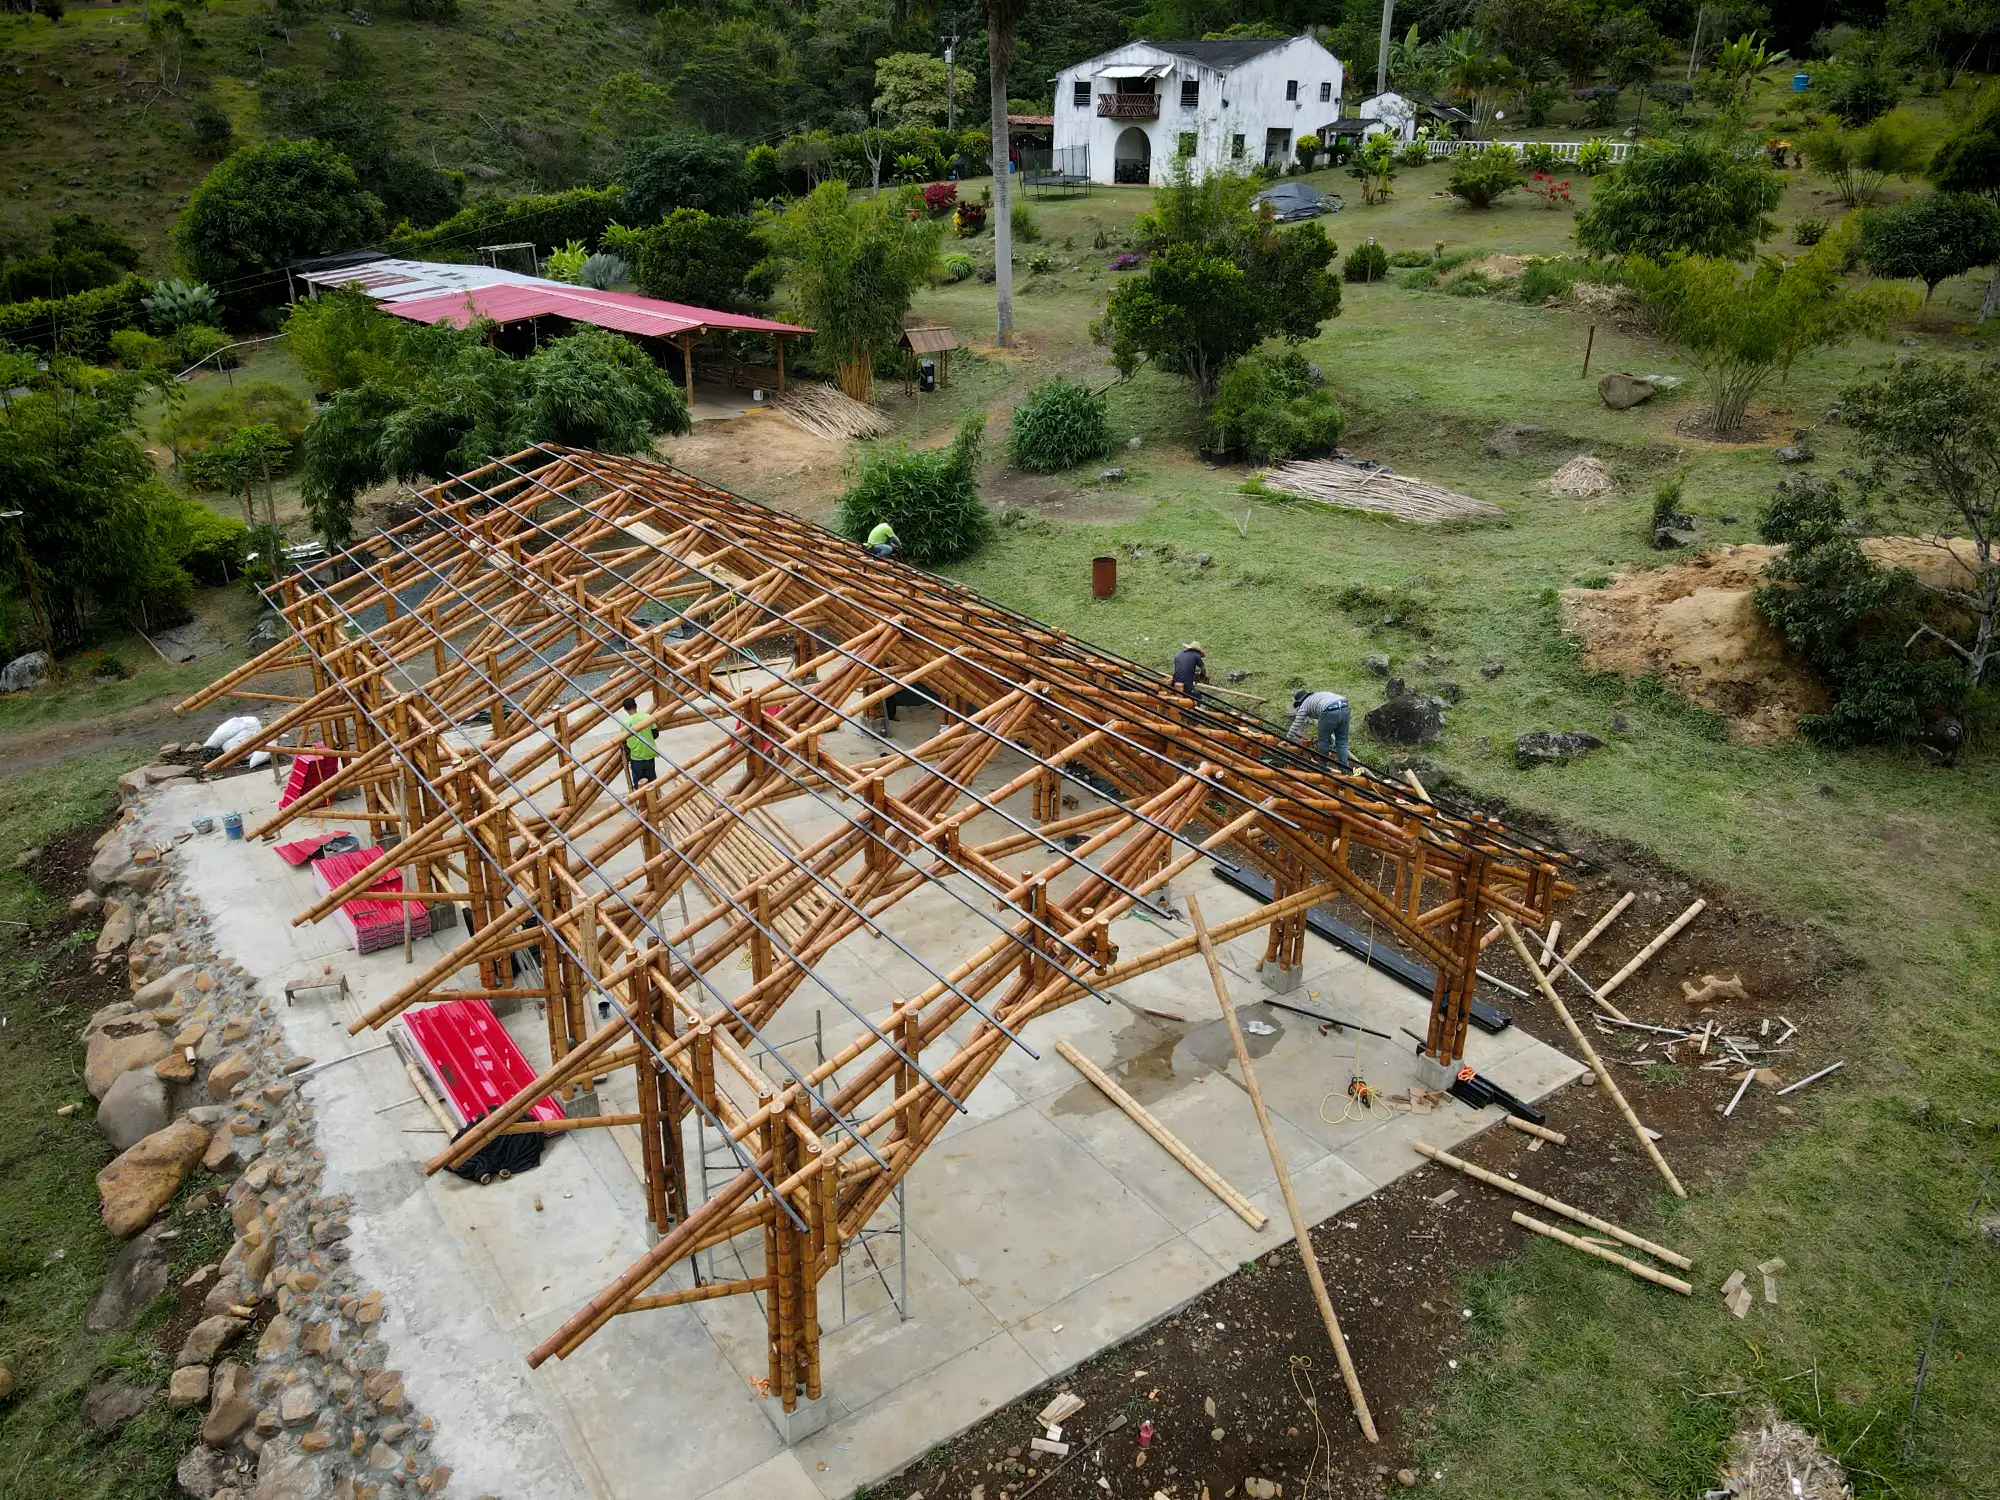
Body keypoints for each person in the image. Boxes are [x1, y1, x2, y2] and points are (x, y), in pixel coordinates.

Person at [1287, 688, 1351, 771]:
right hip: (1344, 706)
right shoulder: (1317, 696)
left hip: (1330, 710)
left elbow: (1296, 723)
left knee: (1323, 740)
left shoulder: (1304, 704)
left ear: (1300, 701)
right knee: (1342, 741)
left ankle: (1322, 767)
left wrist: (1288, 738)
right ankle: (1344, 769)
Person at [618, 698, 657, 787]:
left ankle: (642, 800)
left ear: (625, 709)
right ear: (636, 705)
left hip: (636, 757)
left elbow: (624, 741)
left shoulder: (625, 724)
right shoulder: (647, 717)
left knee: (638, 784)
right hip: (649, 754)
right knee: (651, 783)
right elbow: (655, 734)